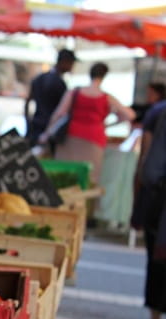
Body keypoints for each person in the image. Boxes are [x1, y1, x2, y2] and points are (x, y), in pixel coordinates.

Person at [41, 62, 135, 221]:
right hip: (94, 140)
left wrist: (47, 132)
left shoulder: (75, 92)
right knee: (88, 179)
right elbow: (129, 115)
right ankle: (82, 215)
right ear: (104, 76)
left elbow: (59, 114)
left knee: (64, 175)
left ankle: (58, 212)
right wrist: (105, 124)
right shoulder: (106, 97)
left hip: (71, 137)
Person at [130, 89, 166, 319]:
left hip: (161, 203)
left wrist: (139, 203)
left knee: (158, 264)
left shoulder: (159, 113)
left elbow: (150, 164)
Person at [25, 49, 77, 149]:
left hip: (36, 124)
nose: (72, 66)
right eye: (71, 63)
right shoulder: (60, 84)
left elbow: (27, 102)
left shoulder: (39, 78)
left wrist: (28, 122)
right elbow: (61, 112)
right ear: (64, 62)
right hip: (51, 129)